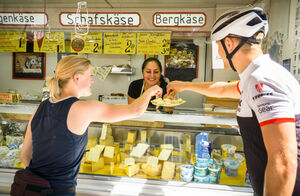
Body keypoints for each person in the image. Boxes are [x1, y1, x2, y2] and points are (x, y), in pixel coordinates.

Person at [167, 7, 300, 196]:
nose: (220, 53)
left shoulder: (263, 81)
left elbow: (284, 160)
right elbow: (222, 89)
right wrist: (183, 85)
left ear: (228, 44)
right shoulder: (255, 78)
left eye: (218, 46)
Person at [19, 55, 162, 195]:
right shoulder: (82, 108)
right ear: (77, 78)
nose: (92, 80)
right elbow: (135, 110)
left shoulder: (41, 107)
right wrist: (151, 91)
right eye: (90, 75)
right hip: (58, 191)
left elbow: (25, 156)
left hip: (29, 188)